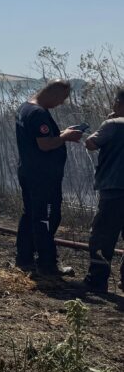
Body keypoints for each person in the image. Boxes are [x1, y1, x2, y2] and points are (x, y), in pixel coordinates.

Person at [14, 80, 83, 275]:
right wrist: (65, 137)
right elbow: (44, 145)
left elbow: (38, 139)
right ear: (53, 94)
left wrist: (62, 133)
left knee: (30, 215)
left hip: (29, 171)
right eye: (61, 99)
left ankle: (24, 258)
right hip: (42, 177)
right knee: (47, 218)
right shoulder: (38, 114)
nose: (60, 104)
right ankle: (47, 264)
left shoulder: (25, 108)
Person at [82, 88, 124, 292]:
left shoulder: (113, 124)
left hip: (114, 190)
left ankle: (97, 280)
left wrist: (107, 122)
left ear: (119, 103)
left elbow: (90, 144)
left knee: (103, 236)